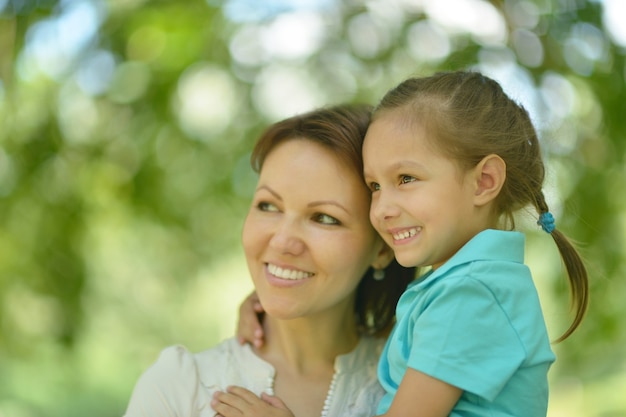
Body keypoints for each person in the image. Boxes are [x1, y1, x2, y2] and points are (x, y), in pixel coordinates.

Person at [221, 70, 589, 417]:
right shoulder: (466, 287)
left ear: (484, 181)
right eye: (375, 187)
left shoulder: (470, 295)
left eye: (406, 178)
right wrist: (269, 299)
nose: (381, 208)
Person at [123, 104, 416, 417]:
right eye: (268, 206)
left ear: (382, 249)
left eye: (324, 218)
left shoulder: (420, 381)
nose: (282, 241)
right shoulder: (178, 388)